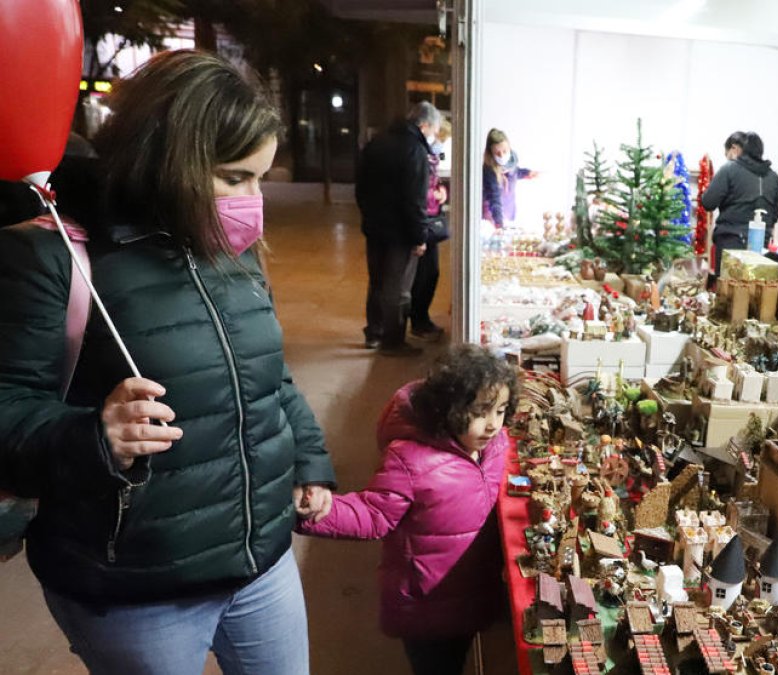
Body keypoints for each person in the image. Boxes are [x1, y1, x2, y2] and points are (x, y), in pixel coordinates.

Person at [0, 50, 336, 674]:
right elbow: (7, 410)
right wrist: (93, 435)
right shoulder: (53, 260)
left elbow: (269, 376)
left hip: (260, 561)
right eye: (235, 177)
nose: (252, 200)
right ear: (168, 161)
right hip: (136, 589)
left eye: (261, 177)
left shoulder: (229, 250)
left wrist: (310, 460)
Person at [297, 344, 517, 675]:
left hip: (473, 591)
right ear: (449, 408)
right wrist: (315, 512)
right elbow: (373, 514)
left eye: (500, 411)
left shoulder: (496, 446)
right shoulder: (411, 459)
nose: (492, 425)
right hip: (426, 606)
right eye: (480, 412)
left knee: (457, 658)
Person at [357, 101, 442, 355]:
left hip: (374, 227)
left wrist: (369, 217)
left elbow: (360, 188)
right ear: (424, 125)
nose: (433, 136)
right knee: (399, 288)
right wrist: (419, 237)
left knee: (377, 281)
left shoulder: (378, 142)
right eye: (434, 131)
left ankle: (374, 332)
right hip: (400, 232)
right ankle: (393, 343)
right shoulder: (414, 149)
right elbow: (414, 199)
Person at [701, 131, 778, 280]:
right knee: (755, 295)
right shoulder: (774, 177)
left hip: (730, 243)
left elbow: (708, 202)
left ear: (739, 149)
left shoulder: (729, 169)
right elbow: (775, 216)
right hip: (761, 248)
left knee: (728, 294)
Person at [409, 121, 451, 340]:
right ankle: (417, 321)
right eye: (438, 136)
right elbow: (413, 191)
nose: (439, 142)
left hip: (429, 217)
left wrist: (441, 191)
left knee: (430, 273)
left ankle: (421, 318)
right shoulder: (416, 153)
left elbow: (432, 182)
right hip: (421, 221)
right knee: (422, 275)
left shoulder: (430, 155)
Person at [482, 128, 537, 228]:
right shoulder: (489, 171)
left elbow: (515, 172)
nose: (502, 155)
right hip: (493, 216)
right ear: (491, 153)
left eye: (504, 151)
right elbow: (494, 198)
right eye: (497, 153)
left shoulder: (511, 162)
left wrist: (527, 173)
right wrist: (498, 223)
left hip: (509, 211)